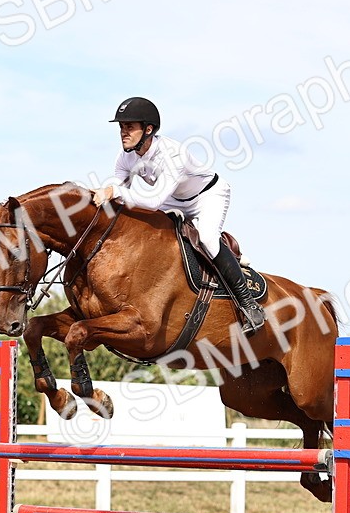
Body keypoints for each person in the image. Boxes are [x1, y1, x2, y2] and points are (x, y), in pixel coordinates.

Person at [92, 96, 266, 335]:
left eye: (129, 127)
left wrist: (115, 191)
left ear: (148, 129)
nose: (123, 132)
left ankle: (250, 305)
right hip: (174, 199)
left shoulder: (172, 154)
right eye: (121, 127)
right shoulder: (125, 157)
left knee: (207, 237)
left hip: (207, 195)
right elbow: (117, 192)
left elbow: (153, 200)